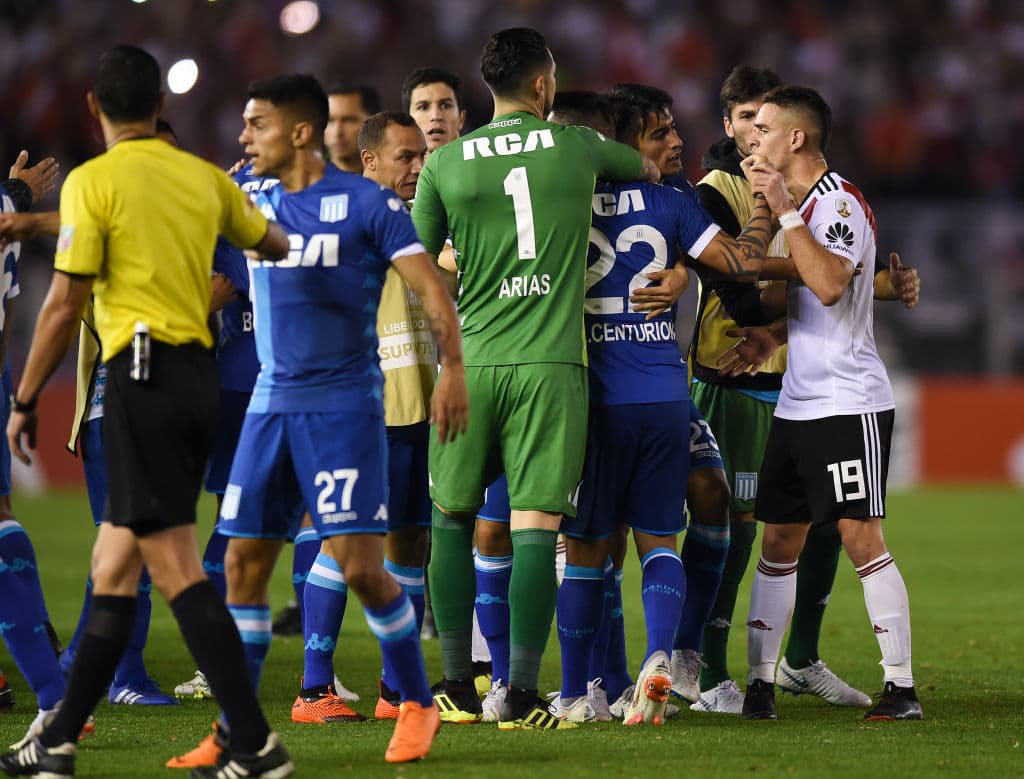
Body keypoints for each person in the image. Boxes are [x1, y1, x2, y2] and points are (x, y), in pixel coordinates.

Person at [0, 45, 293, 779]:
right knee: (113, 560)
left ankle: (253, 740)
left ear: (93, 109)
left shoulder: (95, 182)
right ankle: (58, 735)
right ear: (160, 107)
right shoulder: (203, 177)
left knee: (172, 563)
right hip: (199, 378)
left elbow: (65, 304)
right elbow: (277, 243)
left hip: (139, 378)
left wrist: (25, 397)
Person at [411, 27, 659, 730]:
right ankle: (519, 692)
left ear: (487, 88)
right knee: (533, 526)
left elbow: (419, 260)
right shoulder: (576, 146)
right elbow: (641, 169)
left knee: (452, 517)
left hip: (475, 363)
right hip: (552, 367)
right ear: (545, 86)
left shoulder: (447, 162)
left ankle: (457, 684)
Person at [212, 73, 465, 763]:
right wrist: (28, 220)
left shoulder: (367, 205)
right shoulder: (249, 196)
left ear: (297, 132)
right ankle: (239, 728)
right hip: (271, 401)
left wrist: (456, 373)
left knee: (362, 563)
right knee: (242, 560)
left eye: (254, 124)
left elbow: (432, 293)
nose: (242, 138)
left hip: (345, 403)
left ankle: (412, 701)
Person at [689, 66, 920, 715]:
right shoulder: (800, 201)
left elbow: (826, 284)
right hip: (798, 401)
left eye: (762, 129)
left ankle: (900, 686)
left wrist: (782, 209)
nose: (750, 141)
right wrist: (767, 336)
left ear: (795, 137)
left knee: (859, 537)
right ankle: (762, 682)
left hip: (849, 402)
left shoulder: (837, 203)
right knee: (779, 542)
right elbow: (794, 299)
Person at [547, 87, 780, 726]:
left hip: (590, 396)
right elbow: (742, 261)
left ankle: (579, 691)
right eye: (659, 134)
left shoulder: (555, 204)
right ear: (623, 148)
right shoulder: (672, 204)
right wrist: (764, 210)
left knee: (589, 549)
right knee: (659, 539)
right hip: (662, 395)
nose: (675, 143)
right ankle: (650, 659)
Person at [57, 119, 181, 709]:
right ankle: (124, 673)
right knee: (140, 544)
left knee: (125, 544)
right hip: (118, 405)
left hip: (153, 405)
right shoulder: (120, 230)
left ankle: (81, 657)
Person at [402, 68, 466, 153]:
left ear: (461, 119)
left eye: (445, 106)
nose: (435, 116)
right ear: (408, 122)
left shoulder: (485, 165)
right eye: (423, 107)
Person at [322, 83, 381, 175]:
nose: (337, 132)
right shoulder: (305, 182)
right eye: (330, 121)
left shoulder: (395, 180)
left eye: (349, 120)